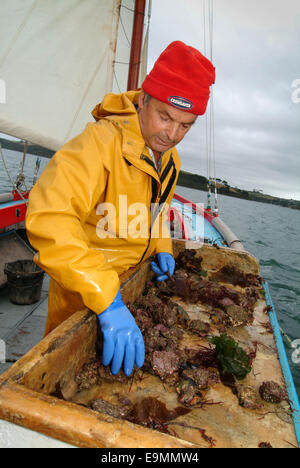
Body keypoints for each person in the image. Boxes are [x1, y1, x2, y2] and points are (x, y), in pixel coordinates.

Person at [26, 41, 215, 377]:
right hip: (83, 294)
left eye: (185, 125)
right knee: (66, 377)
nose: (171, 134)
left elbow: (158, 211)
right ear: (143, 100)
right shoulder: (98, 143)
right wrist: (106, 297)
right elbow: (50, 219)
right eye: (165, 116)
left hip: (133, 286)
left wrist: (162, 247)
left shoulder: (170, 160)